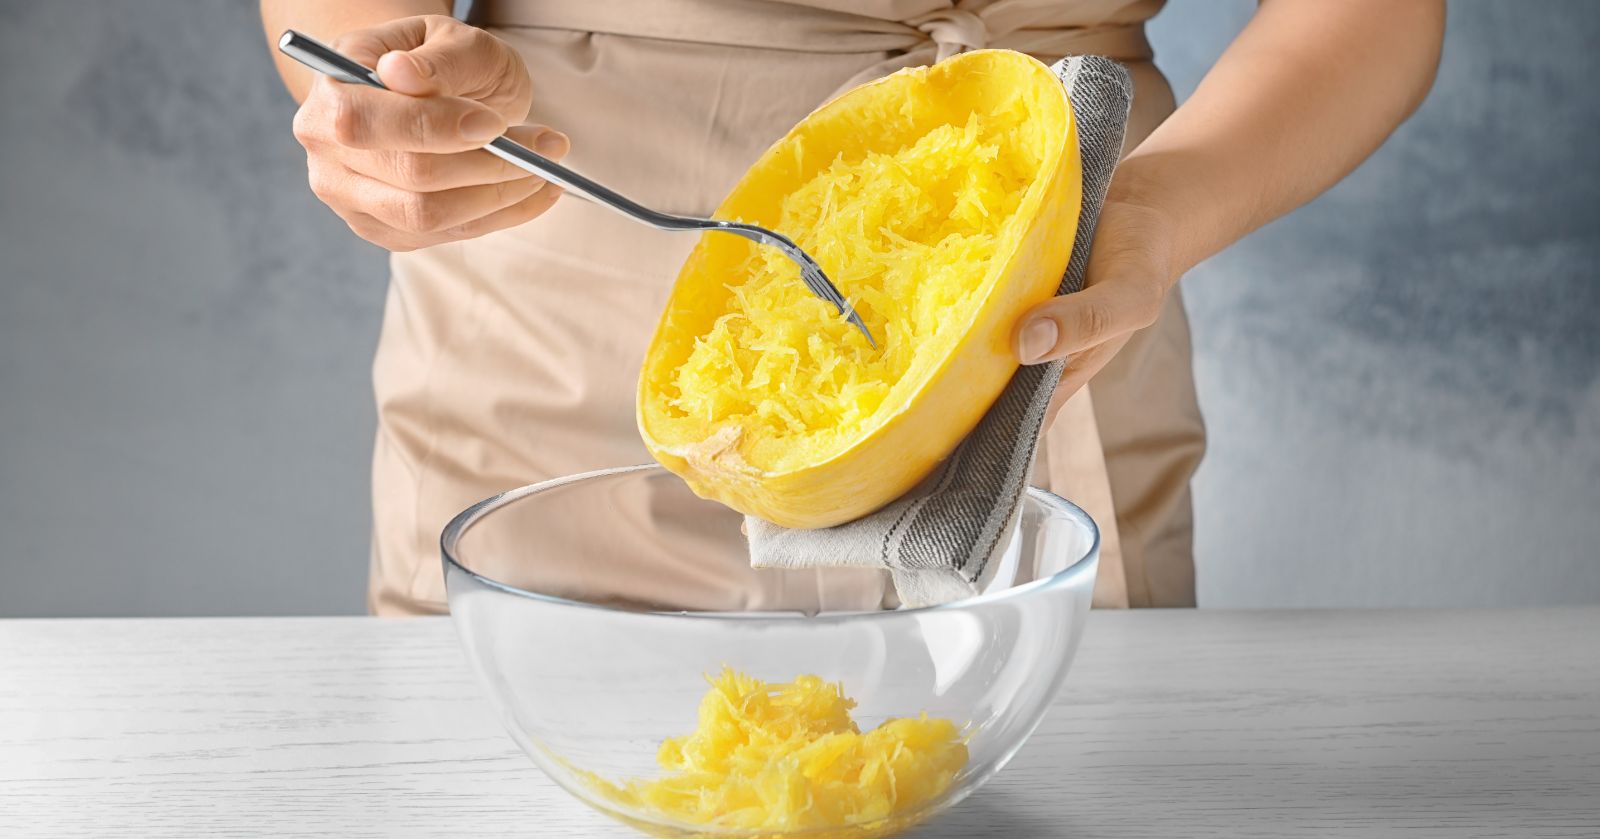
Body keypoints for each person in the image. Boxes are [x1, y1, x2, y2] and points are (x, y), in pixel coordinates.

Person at [261, 0, 1444, 616]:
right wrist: (387, 106)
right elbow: (353, 22)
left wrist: (1158, 213)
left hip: (1059, 280)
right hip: (560, 280)